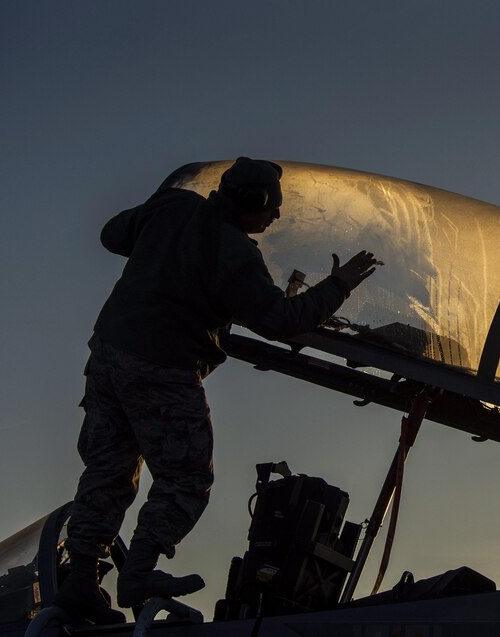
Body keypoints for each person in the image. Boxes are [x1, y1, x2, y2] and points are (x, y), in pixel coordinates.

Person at [54, 158, 379, 624]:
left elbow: (112, 235)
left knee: (109, 468)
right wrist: (340, 285)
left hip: (108, 356)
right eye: (272, 209)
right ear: (253, 202)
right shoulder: (236, 256)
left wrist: (164, 250)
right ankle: (139, 570)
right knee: (187, 475)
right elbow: (279, 321)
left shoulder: (170, 207)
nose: (277, 218)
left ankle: (81, 578)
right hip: (162, 369)